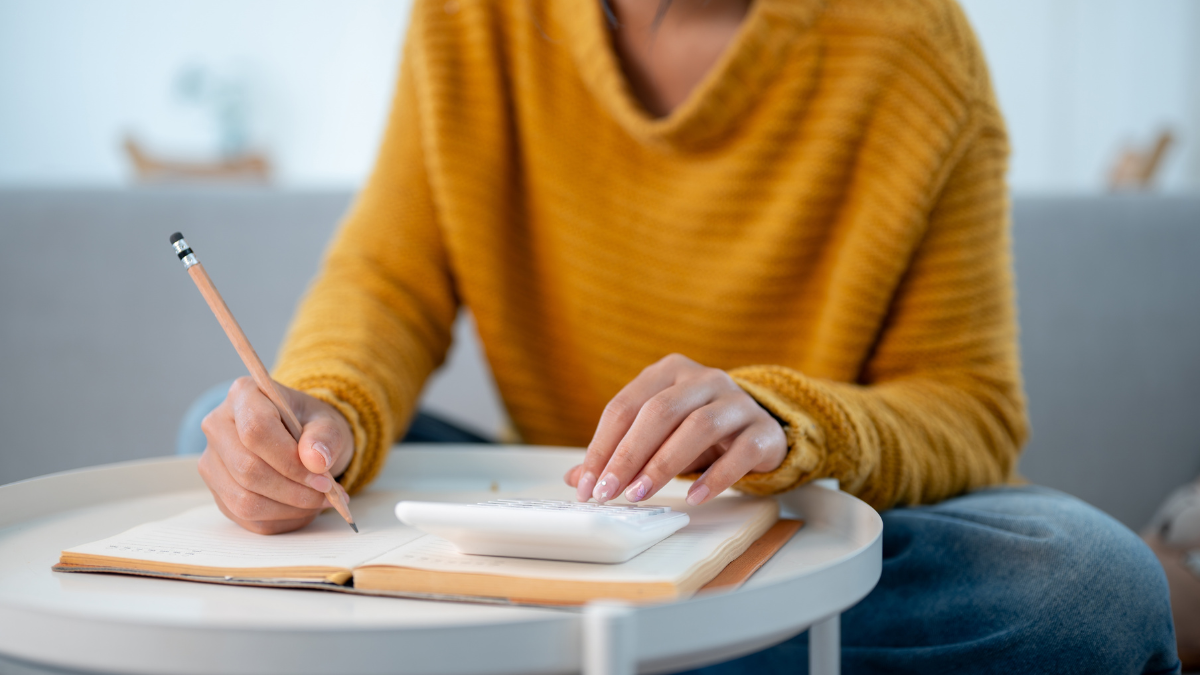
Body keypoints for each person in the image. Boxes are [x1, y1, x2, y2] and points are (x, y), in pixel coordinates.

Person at [194, 0, 1180, 671]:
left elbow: (971, 406)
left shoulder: (914, 45)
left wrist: (788, 420)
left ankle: (518, 647)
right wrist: (326, 408)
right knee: (232, 429)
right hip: (546, 513)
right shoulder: (470, 19)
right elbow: (388, 282)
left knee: (1090, 588)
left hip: (788, 536)